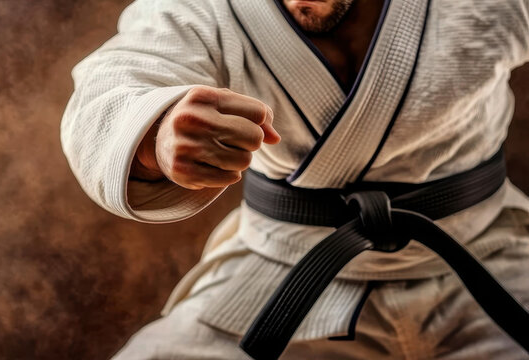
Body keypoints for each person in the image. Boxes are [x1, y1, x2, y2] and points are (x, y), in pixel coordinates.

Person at [60, 0, 529, 358]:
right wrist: (154, 134)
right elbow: (113, 84)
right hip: (283, 272)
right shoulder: (202, 10)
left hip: (488, 257)